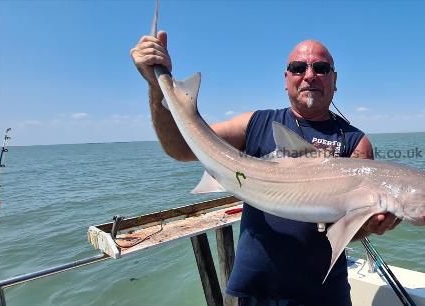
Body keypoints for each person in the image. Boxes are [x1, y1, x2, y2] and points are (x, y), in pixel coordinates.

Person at [131, 32, 400, 306]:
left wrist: (369, 226)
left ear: (334, 80)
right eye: (298, 68)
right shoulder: (256, 123)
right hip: (255, 290)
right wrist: (157, 86)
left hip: (323, 296)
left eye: (321, 68)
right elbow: (181, 149)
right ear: (286, 79)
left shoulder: (355, 142)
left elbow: (351, 231)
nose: (309, 75)